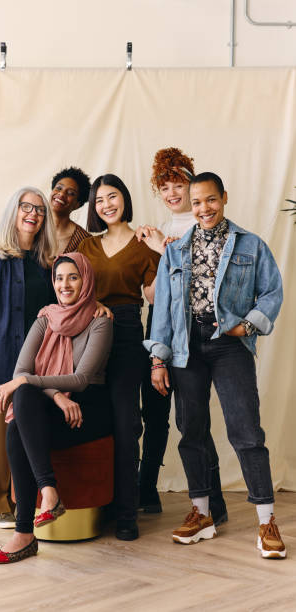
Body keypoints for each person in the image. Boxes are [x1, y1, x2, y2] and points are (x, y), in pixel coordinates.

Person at [146, 172, 286, 558]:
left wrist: (249, 325)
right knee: (191, 429)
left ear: (223, 197)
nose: (204, 209)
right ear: (189, 206)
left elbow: (272, 291)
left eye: (210, 200)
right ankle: (202, 513)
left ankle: (265, 521)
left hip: (229, 345)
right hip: (185, 348)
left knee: (246, 431)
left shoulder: (249, 244)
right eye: (196, 203)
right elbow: (164, 309)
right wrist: (159, 357)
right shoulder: (175, 251)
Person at [0, 253, 113, 564]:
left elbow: (82, 378)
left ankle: (24, 534)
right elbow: (21, 371)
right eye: (59, 278)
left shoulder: (101, 320)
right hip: (56, 406)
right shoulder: (45, 317)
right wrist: (57, 396)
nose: (65, 284)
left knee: (21, 408)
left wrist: (37, 386)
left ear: (85, 280)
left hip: (87, 411)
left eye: (73, 277)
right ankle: (48, 492)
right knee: (23, 402)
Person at [136, 147, 227, 525]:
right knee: (154, 414)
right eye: (165, 186)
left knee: (194, 421)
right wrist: (159, 251)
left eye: (179, 184)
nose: (173, 193)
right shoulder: (160, 230)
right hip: (159, 329)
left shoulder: (205, 223)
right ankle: (146, 490)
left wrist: (164, 250)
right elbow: (153, 296)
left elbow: (199, 287)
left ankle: (213, 502)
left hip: (193, 331)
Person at [0, 187, 56, 528]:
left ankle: (30, 498)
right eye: (26, 207)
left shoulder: (46, 264)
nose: (33, 213)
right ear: (14, 212)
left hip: (37, 365)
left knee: (29, 430)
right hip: (0, 360)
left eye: (39, 209)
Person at [78, 174, 160, 541]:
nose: (106, 205)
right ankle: (102, 504)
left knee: (127, 423)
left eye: (113, 197)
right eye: (99, 200)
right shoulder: (87, 246)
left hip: (128, 333)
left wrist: (162, 249)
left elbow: (155, 296)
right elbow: (71, 288)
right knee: (96, 420)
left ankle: (127, 512)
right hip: (90, 334)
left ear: (125, 199)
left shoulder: (143, 243)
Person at [49, 166, 91, 253]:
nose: (61, 194)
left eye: (71, 193)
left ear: (77, 204)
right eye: (59, 188)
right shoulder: (34, 226)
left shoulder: (84, 241)